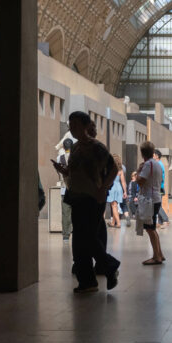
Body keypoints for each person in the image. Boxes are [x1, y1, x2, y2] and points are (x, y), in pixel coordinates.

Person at [54, 111, 119, 294]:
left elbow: (113, 169)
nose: (72, 129)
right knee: (80, 242)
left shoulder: (97, 147)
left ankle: (109, 265)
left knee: (88, 238)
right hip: (76, 197)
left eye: (75, 125)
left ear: (85, 126)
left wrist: (103, 189)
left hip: (92, 199)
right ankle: (87, 281)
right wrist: (63, 171)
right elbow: (74, 172)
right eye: (70, 125)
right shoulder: (75, 148)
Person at [137, 140, 166, 265]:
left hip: (150, 200)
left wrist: (138, 171)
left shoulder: (148, 165)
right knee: (152, 228)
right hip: (155, 198)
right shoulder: (157, 164)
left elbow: (140, 182)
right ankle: (159, 254)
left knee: (150, 228)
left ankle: (156, 257)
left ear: (142, 153)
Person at [56, 137, 74, 240]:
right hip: (76, 189)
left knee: (65, 213)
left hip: (64, 189)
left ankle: (66, 234)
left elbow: (58, 171)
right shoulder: (76, 157)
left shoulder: (60, 158)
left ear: (64, 146)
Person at [106, 155, 126, 228]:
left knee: (113, 206)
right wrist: (125, 191)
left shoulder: (110, 169)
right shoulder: (120, 170)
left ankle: (118, 223)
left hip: (112, 187)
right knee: (115, 205)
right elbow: (123, 181)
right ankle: (112, 222)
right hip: (119, 187)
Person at [153, 149, 169, 225]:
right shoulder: (160, 164)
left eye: (153, 155)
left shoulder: (158, 164)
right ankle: (160, 221)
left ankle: (165, 219)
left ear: (156, 156)